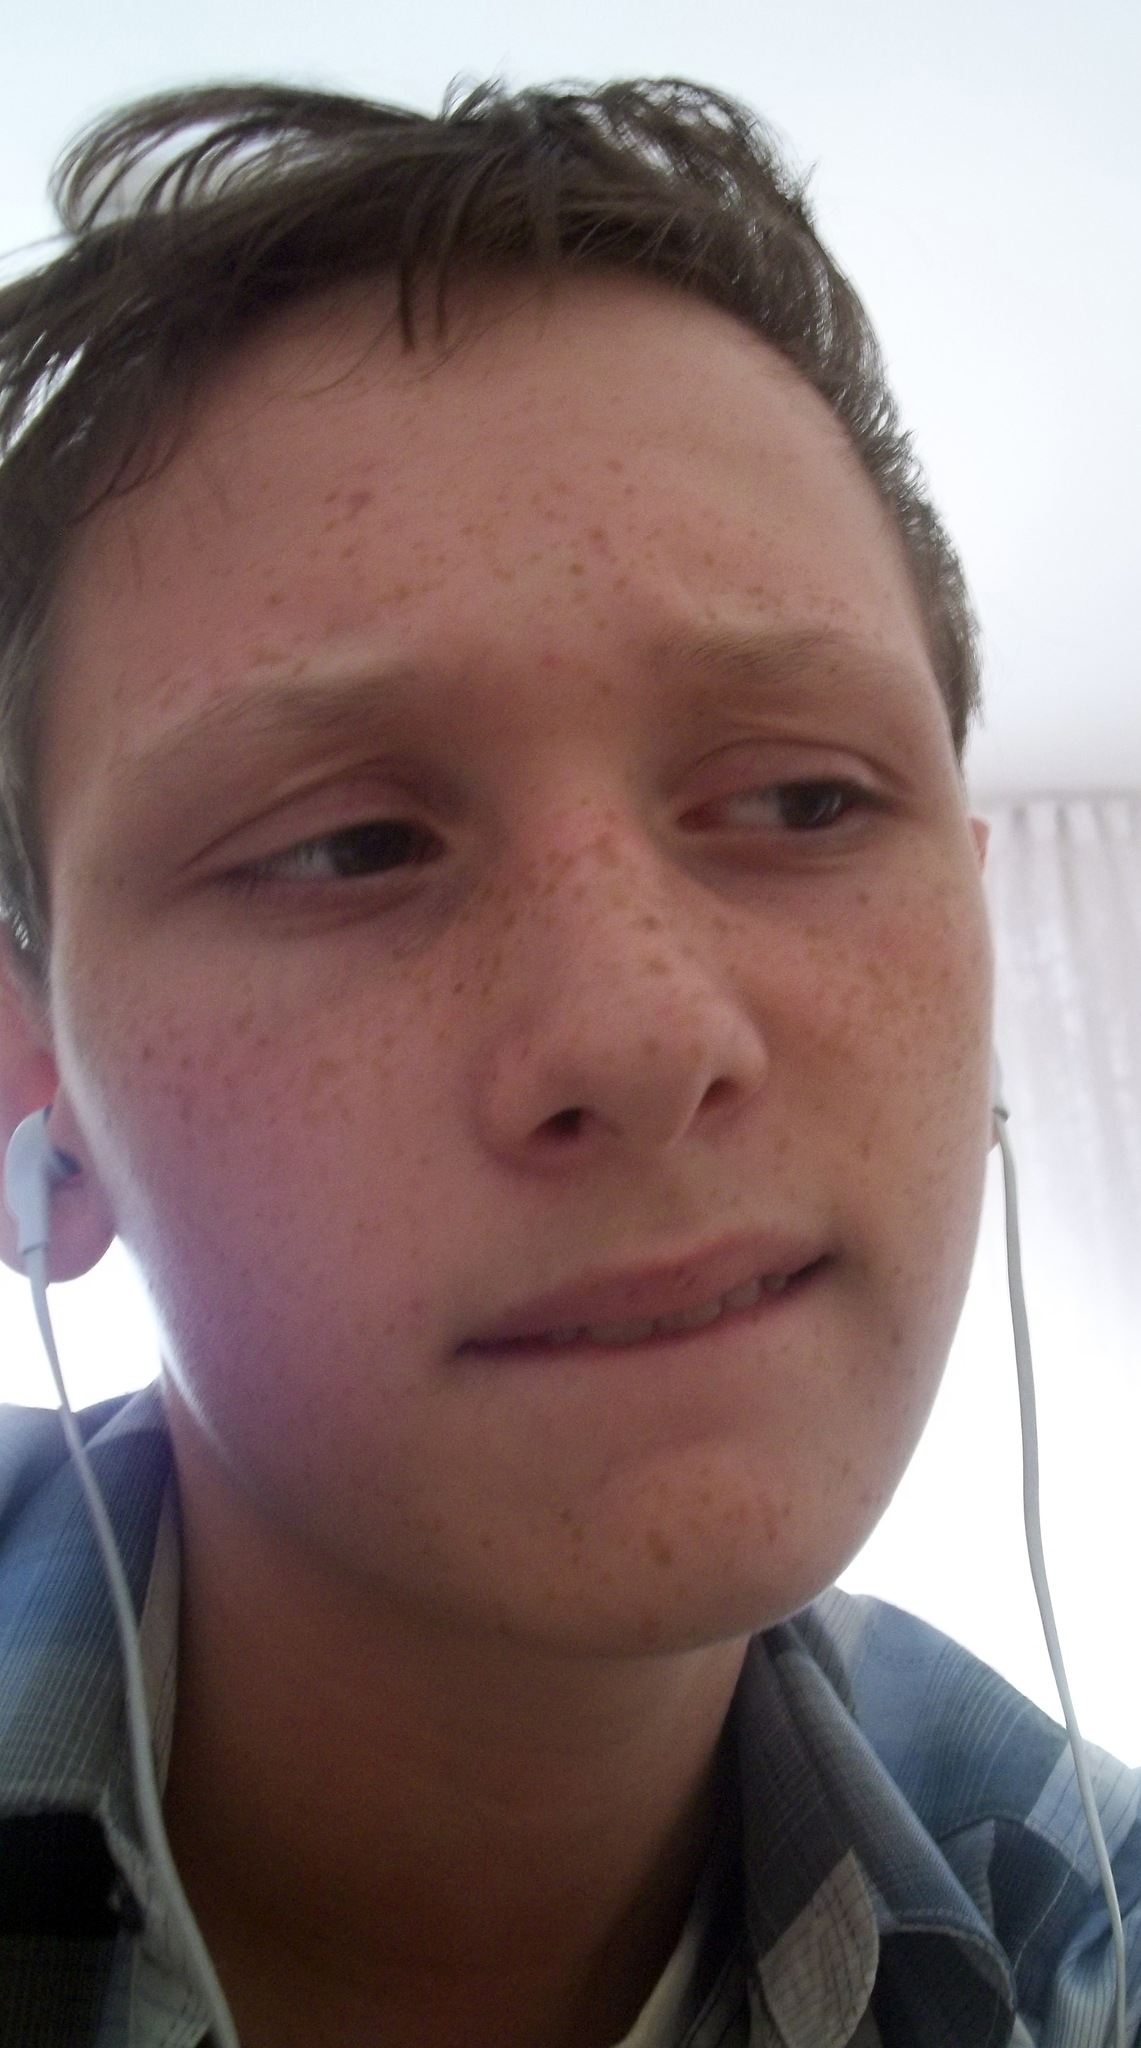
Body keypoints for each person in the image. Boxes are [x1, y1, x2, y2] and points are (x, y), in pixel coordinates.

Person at [0, 76, 1135, 2048]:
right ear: (40, 1094)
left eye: (800, 799)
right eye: (349, 846)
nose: (643, 1032)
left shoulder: (1084, 1942)